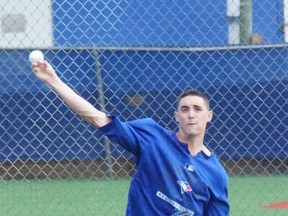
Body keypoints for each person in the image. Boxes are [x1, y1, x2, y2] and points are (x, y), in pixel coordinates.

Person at [31, 60, 230, 216]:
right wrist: (53, 81)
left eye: (197, 109)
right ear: (176, 116)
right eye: (184, 109)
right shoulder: (152, 137)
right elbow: (97, 118)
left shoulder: (216, 173)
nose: (191, 114)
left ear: (209, 116)